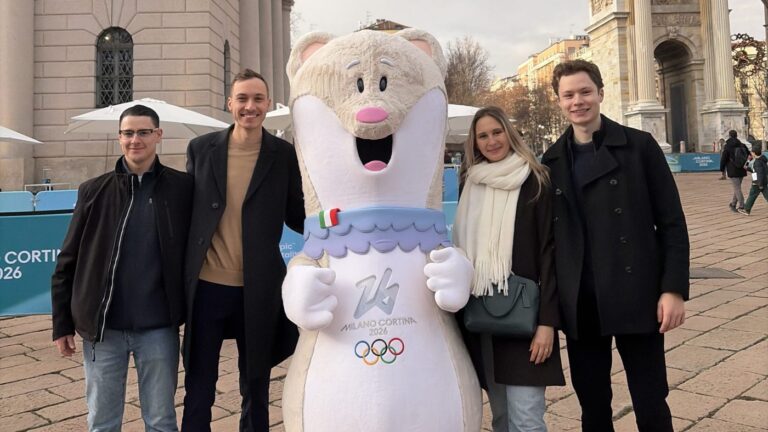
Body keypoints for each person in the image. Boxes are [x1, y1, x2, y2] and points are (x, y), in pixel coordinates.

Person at [542, 60, 689, 432]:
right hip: (582, 301)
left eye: (585, 92)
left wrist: (672, 289)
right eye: (569, 95)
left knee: (651, 399)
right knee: (592, 404)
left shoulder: (639, 146)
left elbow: (672, 222)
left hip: (636, 293)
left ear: (601, 93)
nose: (578, 101)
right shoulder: (551, 161)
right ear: (558, 102)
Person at [51, 104, 193, 431]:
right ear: (119, 138)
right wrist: (62, 324)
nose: (135, 140)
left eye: (143, 132)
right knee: (102, 422)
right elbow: (67, 261)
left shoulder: (183, 189)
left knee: (161, 421)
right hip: (104, 329)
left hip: (158, 328)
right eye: (128, 133)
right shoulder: (93, 191)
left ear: (158, 135)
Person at [181, 69, 304, 432]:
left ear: (267, 104)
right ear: (230, 103)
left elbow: (298, 214)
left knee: (256, 383)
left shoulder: (283, 155)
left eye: (258, 99)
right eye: (243, 99)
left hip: (259, 287)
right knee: (199, 385)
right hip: (207, 286)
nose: (250, 107)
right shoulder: (201, 149)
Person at [454, 106, 564, 432]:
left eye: (497, 132)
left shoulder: (535, 179)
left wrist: (547, 323)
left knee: (528, 421)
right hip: (481, 317)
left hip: (525, 318)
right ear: (474, 143)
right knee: (501, 418)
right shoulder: (470, 183)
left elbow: (550, 254)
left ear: (509, 133)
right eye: (483, 135)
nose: (491, 141)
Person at [720, 130, 751, 212]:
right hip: (742, 169)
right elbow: (749, 156)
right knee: (737, 188)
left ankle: (742, 206)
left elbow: (723, 159)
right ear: (736, 136)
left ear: (729, 136)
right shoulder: (742, 145)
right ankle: (733, 204)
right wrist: (746, 166)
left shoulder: (727, 146)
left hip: (732, 169)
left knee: (737, 188)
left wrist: (722, 170)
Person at [739, 142, 768, 215]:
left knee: (752, 195)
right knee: (766, 195)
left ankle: (746, 209)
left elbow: (760, 173)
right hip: (763, 181)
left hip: (757, 182)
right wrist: (749, 167)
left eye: (752, 152)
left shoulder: (757, 162)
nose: (751, 154)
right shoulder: (763, 159)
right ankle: (746, 209)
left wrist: (760, 184)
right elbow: (756, 170)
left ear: (754, 153)